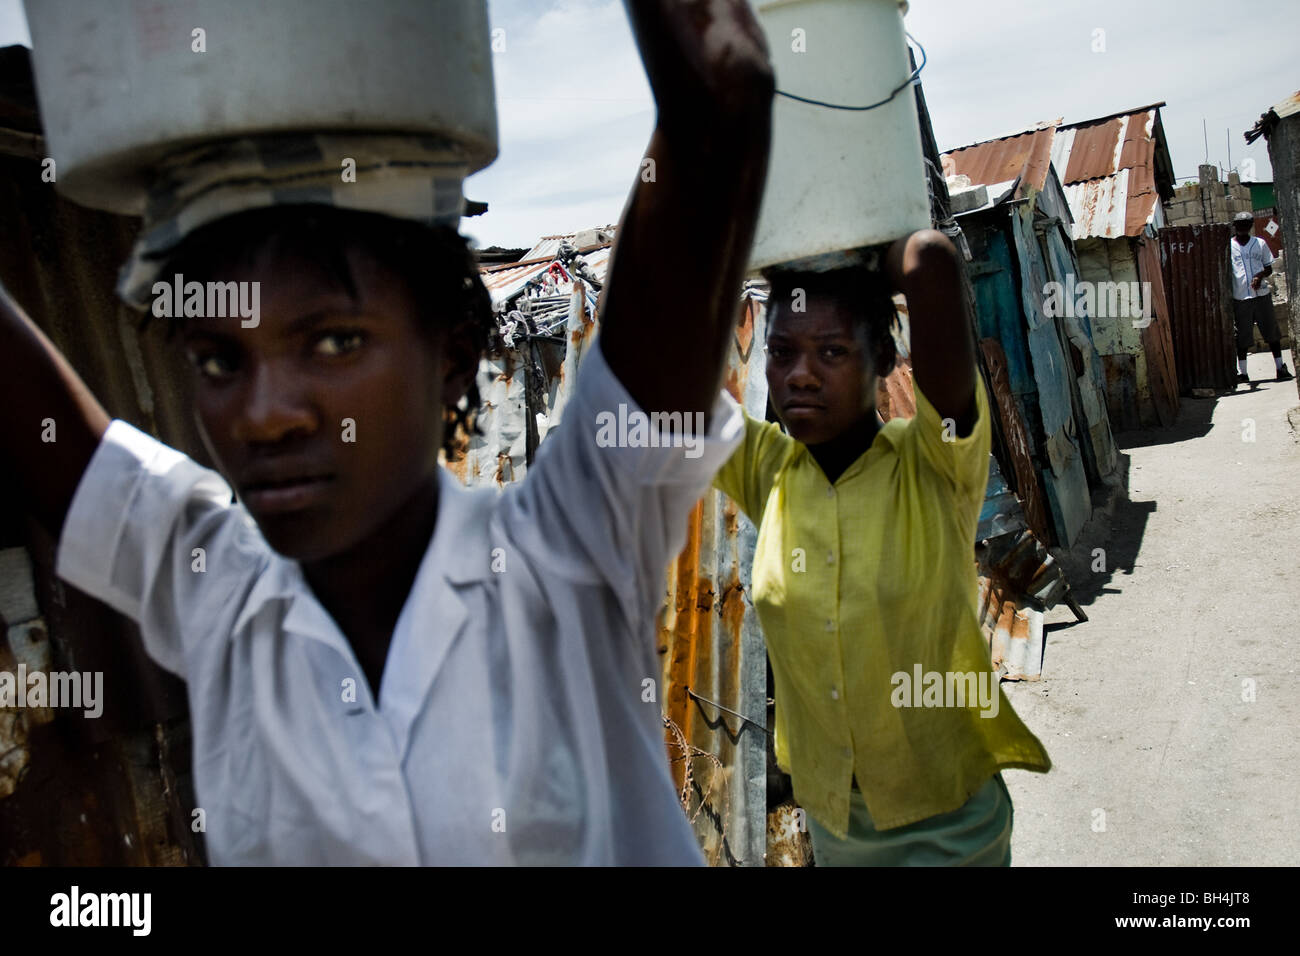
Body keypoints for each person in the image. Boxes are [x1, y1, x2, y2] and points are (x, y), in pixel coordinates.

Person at [0, 0, 774, 864]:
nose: (263, 413)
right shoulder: (213, 592)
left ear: (451, 354)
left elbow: (722, 93)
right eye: (220, 359)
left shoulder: (572, 551)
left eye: (333, 341)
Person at [712, 232, 1051, 866]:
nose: (800, 375)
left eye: (833, 351)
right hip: (839, 829)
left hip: (952, 829)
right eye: (781, 352)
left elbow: (931, 261)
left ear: (884, 357)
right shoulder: (768, 471)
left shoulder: (933, 466)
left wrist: (847, 240)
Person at [1229, 211, 1293, 384]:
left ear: (1250, 226)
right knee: (1242, 335)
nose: (1243, 228)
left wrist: (1259, 276)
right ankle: (1243, 373)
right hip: (1240, 296)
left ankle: (1280, 368)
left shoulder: (1260, 243)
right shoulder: (1229, 246)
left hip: (1261, 294)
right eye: (1239, 225)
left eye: (1246, 225)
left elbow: (1269, 268)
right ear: (1235, 227)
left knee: (1271, 331)